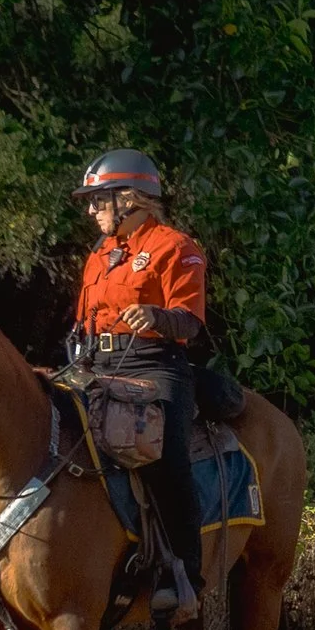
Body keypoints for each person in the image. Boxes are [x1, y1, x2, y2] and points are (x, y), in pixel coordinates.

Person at [68, 148, 206, 605]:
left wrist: (156, 316)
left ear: (130, 199)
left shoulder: (175, 246)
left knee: (163, 457)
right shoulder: (99, 254)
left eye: (97, 200)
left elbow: (190, 322)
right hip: (95, 366)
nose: (91, 210)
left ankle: (184, 574)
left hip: (155, 366)